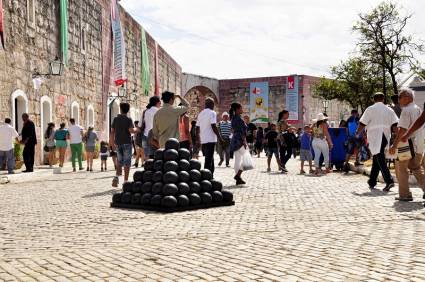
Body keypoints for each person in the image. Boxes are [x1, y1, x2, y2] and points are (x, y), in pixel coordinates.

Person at [355, 92, 398, 191]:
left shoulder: (370, 109)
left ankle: (389, 180)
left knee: (380, 158)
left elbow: (362, 122)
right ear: (383, 99)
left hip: (375, 136)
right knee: (376, 158)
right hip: (385, 136)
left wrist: (357, 132)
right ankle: (372, 181)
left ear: (374, 99)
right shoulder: (389, 109)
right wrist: (398, 136)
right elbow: (395, 124)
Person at [389, 89, 425, 201]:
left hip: (406, 145)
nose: (398, 100)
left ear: (408, 97)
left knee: (401, 169)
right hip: (418, 144)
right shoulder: (418, 108)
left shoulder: (406, 110)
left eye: (400, 97)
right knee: (415, 167)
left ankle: (404, 194)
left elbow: (402, 129)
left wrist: (394, 145)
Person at [110, 103, 139, 187]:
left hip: (118, 143)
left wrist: (112, 144)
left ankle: (116, 177)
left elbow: (112, 132)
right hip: (127, 143)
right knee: (127, 162)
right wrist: (137, 129)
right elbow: (131, 130)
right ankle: (125, 181)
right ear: (128, 110)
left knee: (119, 160)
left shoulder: (115, 119)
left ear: (120, 109)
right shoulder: (128, 119)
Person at [196, 98, 224, 176]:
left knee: (210, 158)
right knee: (208, 159)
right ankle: (206, 177)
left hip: (203, 139)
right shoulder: (212, 113)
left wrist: (198, 139)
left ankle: (211, 175)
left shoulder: (200, 113)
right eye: (213, 104)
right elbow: (213, 126)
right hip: (211, 139)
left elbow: (197, 127)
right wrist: (220, 138)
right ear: (211, 104)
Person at [230, 103, 247, 185]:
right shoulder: (239, 119)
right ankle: (238, 175)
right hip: (239, 140)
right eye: (241, 108)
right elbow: (242, 132)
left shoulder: (233, 118)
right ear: (237, 109)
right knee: (247, 159)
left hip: (235, 140)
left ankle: (238, 178)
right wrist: (244, 141)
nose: (242, 109)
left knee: (238, 160)